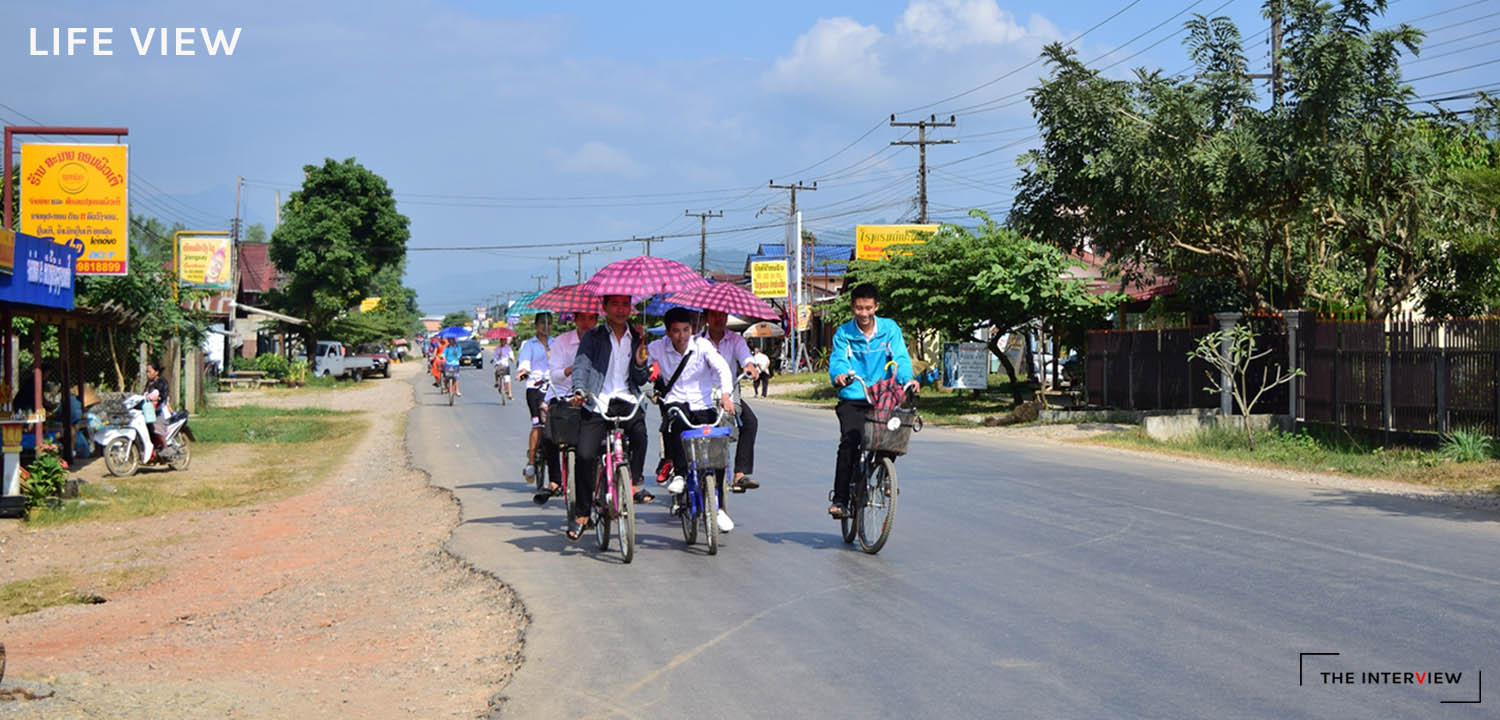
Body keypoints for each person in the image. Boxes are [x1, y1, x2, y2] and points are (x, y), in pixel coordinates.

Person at [826, 283, 919, 519]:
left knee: (893, 434)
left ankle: (883, 471)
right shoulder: (844, 333)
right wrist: (839, 375)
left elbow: (900, 358)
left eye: (868, 308)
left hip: (883, 396)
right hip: (854, 396)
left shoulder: (889, 329)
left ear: (876, 306)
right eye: (859, 308)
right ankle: (840, 499)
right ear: (852, 307)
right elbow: (838, 360)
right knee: (851, 441)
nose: (864, 313)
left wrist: (908, 380)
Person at [568, 294, 652, 541]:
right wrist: (579, 391)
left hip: (626, 400)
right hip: (597, 402)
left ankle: (634, 482)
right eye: (615, 304)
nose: (620, 309)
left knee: (640, 434)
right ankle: (582, 514)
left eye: (625, 304)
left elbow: (641, 378)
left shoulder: (637, 337)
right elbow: (581, 366)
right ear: (604, 308)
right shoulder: (593, 337)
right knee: (584, 455)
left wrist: (639, 363)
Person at [653, 308, 737, 530]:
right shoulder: (658, 347)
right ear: (668, 332)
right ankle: (679, 474)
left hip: (703, 404)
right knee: (676, 425)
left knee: (716, 446)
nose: (681, 336)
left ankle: (718, 507)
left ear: (692, 329)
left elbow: (722, 369)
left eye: (686, 330)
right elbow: (640, 361)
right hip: (676, 402)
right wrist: (640, 357)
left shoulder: (702, 346)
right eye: (676, 331)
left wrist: (726, 396)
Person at [530, 310, 597, 504]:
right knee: (551, 436)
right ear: (575, 320)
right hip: (562, 395)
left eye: (591, 318)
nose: (587, 323)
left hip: (591, 397)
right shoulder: (561, 342)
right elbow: (555, 374)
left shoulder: (602, 341)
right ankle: (555, 481)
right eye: (582, 318)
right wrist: (574, 368)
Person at [701, 309, 762, 492]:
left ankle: (740, 473)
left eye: (722, 315)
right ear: (706, 317)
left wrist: (750, 367)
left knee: (750, 422)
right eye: (713, 314)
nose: (719, 319)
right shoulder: (698, 342)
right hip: (702, 395)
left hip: (728, 393)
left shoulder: (736, 339)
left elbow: (745, 358)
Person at [516, 314, 553, 479]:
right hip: (536, 387)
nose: (546, 327)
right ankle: (531, 461)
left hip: (555, 388)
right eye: (543, 324)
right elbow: (524, 362)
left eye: (549, 324)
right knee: (538, 424)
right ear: (536, 326)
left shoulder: (556, 343)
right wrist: (523, 371)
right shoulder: (528, 345)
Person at [143, 360, 172, 448]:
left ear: (156, 372)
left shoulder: (162, 382)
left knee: (156, 429)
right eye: (146, 371)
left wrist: (157, 399)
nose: (147, 374)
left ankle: (165, 448)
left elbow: (163, 396)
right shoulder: (149, 383)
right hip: (150, 411)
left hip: (160, 411)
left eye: (149, 371)